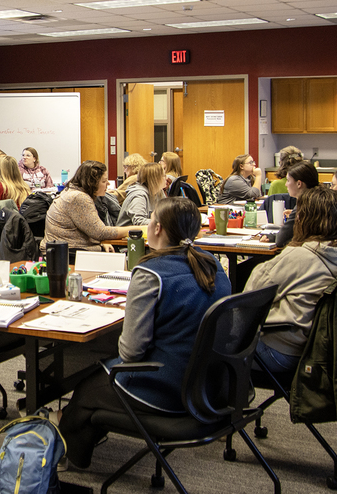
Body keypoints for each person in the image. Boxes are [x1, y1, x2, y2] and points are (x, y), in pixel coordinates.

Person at [57, 197, 232, 468]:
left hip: (166, 387)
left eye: (150, 221)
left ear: (158, 228)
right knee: (95, 390)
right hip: (210, 386)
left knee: (84, 393)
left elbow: (130, 351)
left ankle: (72, 462)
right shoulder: (212, 264)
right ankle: (82, 439)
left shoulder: (150, 273)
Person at [246, 187, 337, 374]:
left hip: (285, 349)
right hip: (321, 345)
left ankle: (229, 398)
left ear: (304, 219)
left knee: (210, 345)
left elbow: (251, 295)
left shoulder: (300, 256)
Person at [42, 160, 143, 254]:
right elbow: (101, 232)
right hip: (68, 253)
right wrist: (136, 229)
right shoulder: (79, 198)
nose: (107, 184)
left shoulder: (71, 192)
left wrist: (101, 241)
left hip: (63, 250)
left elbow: (91, 229)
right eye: (104, 181)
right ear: (91, 183)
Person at [275, 160, 319, 247]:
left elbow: (280, 240)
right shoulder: (318, 199)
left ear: (299, 184)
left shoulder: (304, 204)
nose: (286, 185)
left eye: (288, 180)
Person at [117, 161, 166, 227]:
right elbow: (138, 221)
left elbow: (166, 213)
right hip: (127, 235)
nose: (167, 178)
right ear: (155, 179)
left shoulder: (159, 192)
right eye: (164, 176)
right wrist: (164, 222)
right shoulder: (139, 194)